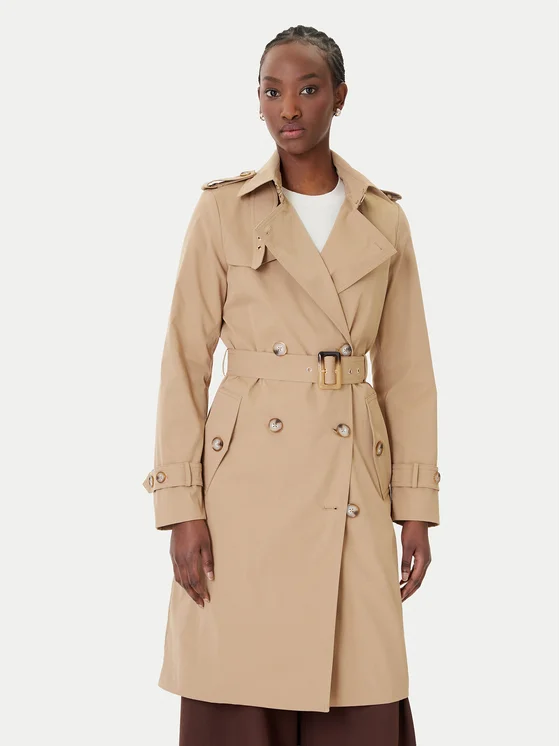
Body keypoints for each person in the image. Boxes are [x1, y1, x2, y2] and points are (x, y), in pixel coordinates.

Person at [142, 24, 441, 746]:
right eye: (272, 92)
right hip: (242, 487)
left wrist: (417, 508)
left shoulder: (384, 218)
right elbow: (184, 360)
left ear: (340, 96)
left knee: (360, 680)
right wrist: (181, 506)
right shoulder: (223, 210)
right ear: (258, 102)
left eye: (308, 89)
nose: (290, 108)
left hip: (353, 479)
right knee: (239, 681)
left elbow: (407, 373)